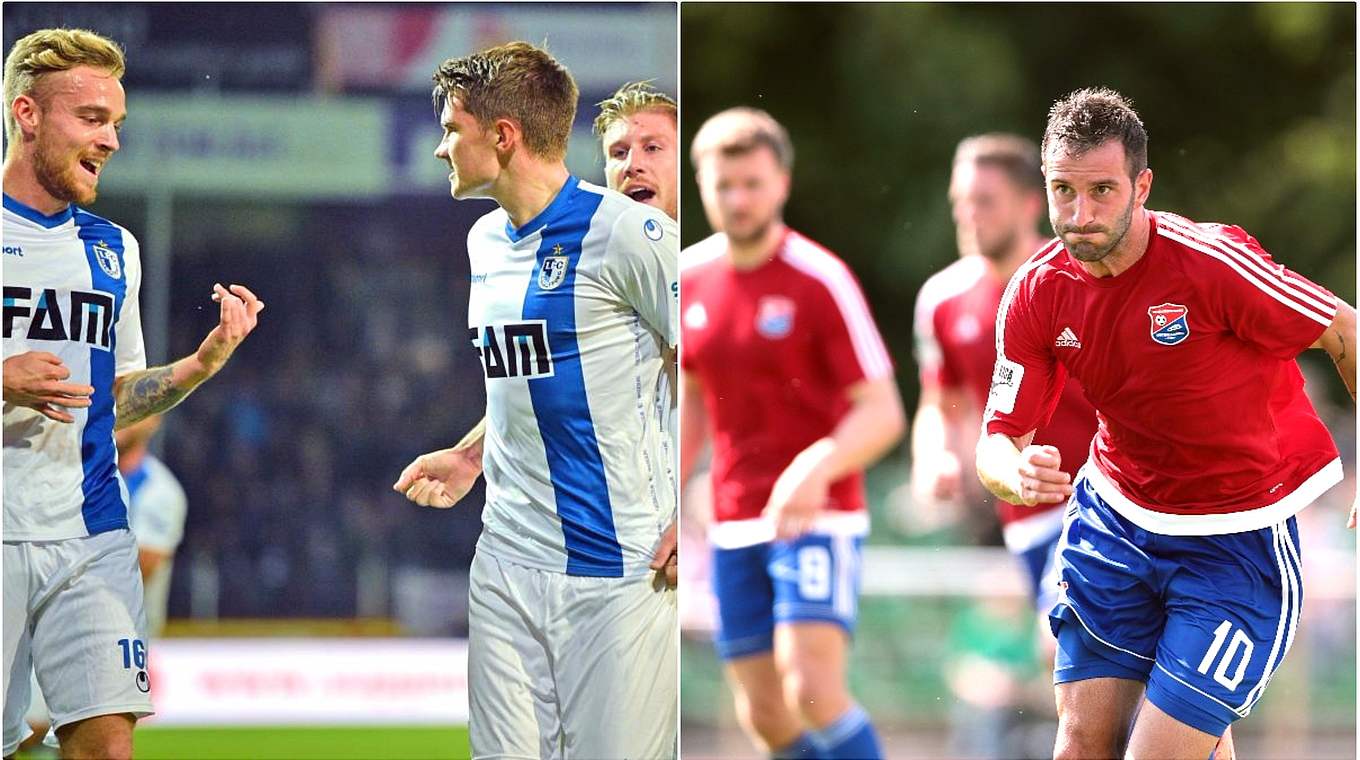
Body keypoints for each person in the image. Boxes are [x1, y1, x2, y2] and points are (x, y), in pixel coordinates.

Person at [976, 87, 1355, 760]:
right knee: (1082, 746)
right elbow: (997, 439)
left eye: (1102, 190)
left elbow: (1345, 332)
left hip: (1236, 541)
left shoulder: (1210, 263)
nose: (1080, 214)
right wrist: (1013, 473)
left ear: (1141, 185)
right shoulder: (1036, 291)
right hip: (1117, 523)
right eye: (1064, 190)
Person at [392, 42, 677, 759]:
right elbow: (524, 380)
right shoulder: (484, 239)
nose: (440, 149)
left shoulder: (630, 235)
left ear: (504, 136)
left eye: (452, 129)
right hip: (506, 563)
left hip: (616, 572)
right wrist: (469, 454)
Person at [2, 28, 263, 760]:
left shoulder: (115, 247)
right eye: (91, 118)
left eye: (117, 122)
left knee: (108, 747)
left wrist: (201, 365)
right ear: (27, 114)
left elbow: (112, 397)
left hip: (91, 530)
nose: (111, 139)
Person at [680, 107, 905, 760]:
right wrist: (669, 495)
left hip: (818, 515)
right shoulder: (687, 277)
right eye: (724, 185)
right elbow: (691, 397)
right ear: (703, 187)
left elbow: (883, 411)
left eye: (752, 183)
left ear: (782, 183)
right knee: (765, 715)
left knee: (811, 688)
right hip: (733, 516)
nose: (738, 198)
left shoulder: (820, 278)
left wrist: (815, 470)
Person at [912, 133, 1097, 610]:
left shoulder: (1082, 280)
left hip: (1112, 497)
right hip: (1029, 511)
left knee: (1066, 639)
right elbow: (940, 404)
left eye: (985, 201)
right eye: (962, 201)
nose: (969, 215)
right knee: (1072, 658)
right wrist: (936, 458)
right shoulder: (943, 299)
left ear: (1030, 205)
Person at [22, 414, 187, 751]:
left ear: (153, 422)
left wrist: (63, 558)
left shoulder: (158, 490)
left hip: (114, 632)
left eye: (135, 407)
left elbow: (146, 565)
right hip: (50, 618)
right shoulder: (76, 474)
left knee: (62, 731)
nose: (122, 415)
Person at [594, 80, 680, 587]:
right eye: (618, 152)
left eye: (652, 148)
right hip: (617, 539)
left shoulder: (698, 267)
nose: (633, 164)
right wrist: (474, 453)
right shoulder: (595, 263)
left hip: (673, 530)